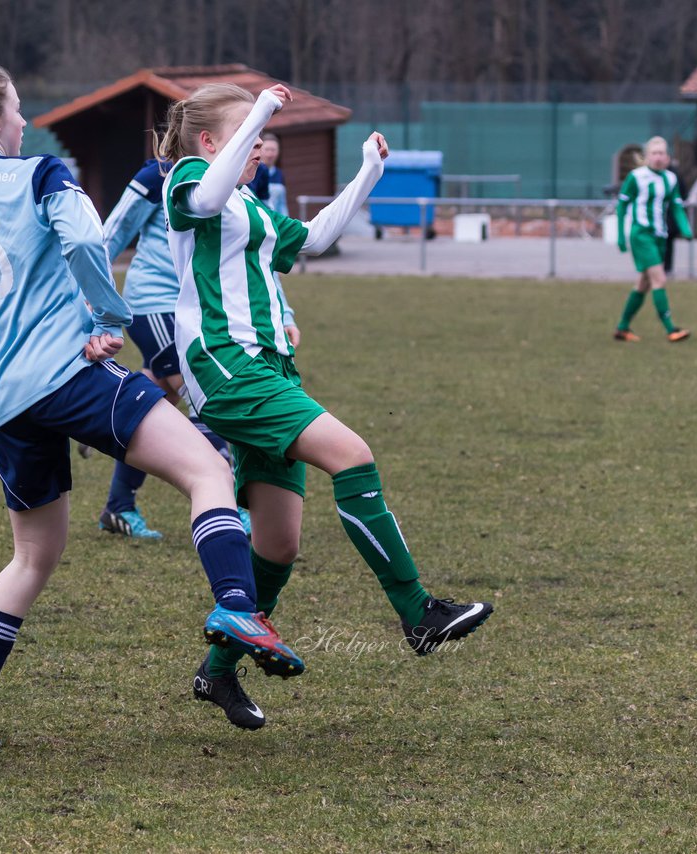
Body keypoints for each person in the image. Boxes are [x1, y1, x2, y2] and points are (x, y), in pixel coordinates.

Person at [0, 64, 303, 746]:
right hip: (72, 374)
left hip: (5, 401)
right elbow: (87, 241)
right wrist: (107, 317)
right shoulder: (42, 174)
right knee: (206, 471)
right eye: (19, 110)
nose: (27, 122)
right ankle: (237, 605)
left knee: (32, 557)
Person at [156, 82, 493, 709]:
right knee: (353, 455)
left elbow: (314, 238)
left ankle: (216, 671)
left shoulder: (248, 206)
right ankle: (417, 611)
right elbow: (205, 193)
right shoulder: (189, 181)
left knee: (279, 545)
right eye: (248, 137)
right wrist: (260, 105)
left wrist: (369, 171)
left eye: (260, 137)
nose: (260, 147)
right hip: (226, 367)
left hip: (273, 369)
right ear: (209, 140)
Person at [94, 157, 299, 541]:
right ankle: (230, 504)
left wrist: (284, 312)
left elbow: (258, 255)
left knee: (156, 398)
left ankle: (118, 502)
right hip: (155, 304)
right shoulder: (157, 176)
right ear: (204, 134)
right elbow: (111, 234)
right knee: (208, 399)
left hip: (203, 313)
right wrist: (91, 293)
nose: (250, 143)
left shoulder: (237, 182)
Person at [613, 136, 693, 343]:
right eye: (655, 153)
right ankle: (670, 329)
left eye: (662, 153)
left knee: (643, 284)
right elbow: (621, 205)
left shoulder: (670, 179)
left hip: (660, 236)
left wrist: (686, 228)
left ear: (668, 157)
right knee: (660, 279)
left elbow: (676, 206)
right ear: (647, 156)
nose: (658, 157)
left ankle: (622, 328)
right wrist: (621, 235)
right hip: (641, 234)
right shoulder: (636, 177)